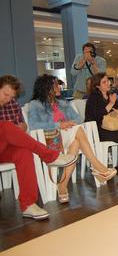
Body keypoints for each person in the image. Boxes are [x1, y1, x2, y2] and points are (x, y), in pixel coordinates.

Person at [28, 74, 115, 204]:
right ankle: (98, 168)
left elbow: (79, 119)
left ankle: (62, 185)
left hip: (67, 135)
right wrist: (59, 125)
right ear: (46, 87)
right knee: (77, 135)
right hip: (49, 138)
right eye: (55, 84)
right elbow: (34, 125)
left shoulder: (62, 102)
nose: (59, 86)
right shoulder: (36, 104)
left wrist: (69, 123)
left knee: (76, 139)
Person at [0, 75, 77, 220]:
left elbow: (23, 126)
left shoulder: (12, 105)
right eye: (5, 94)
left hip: (5, 147)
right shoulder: (36, 104)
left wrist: (19, 127)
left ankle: (28, 204)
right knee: (5, 126)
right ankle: (50, 156)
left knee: (23, 152)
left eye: (12, 96)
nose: (8, 99)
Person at [85, 73, 118, 182]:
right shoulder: (94, 97)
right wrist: (111, 103)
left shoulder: (110, 94)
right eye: (104, 82)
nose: (108, 83)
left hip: (111, 126)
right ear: (97, 85)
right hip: (97, 129)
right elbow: (98, 117)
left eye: (107, 81)